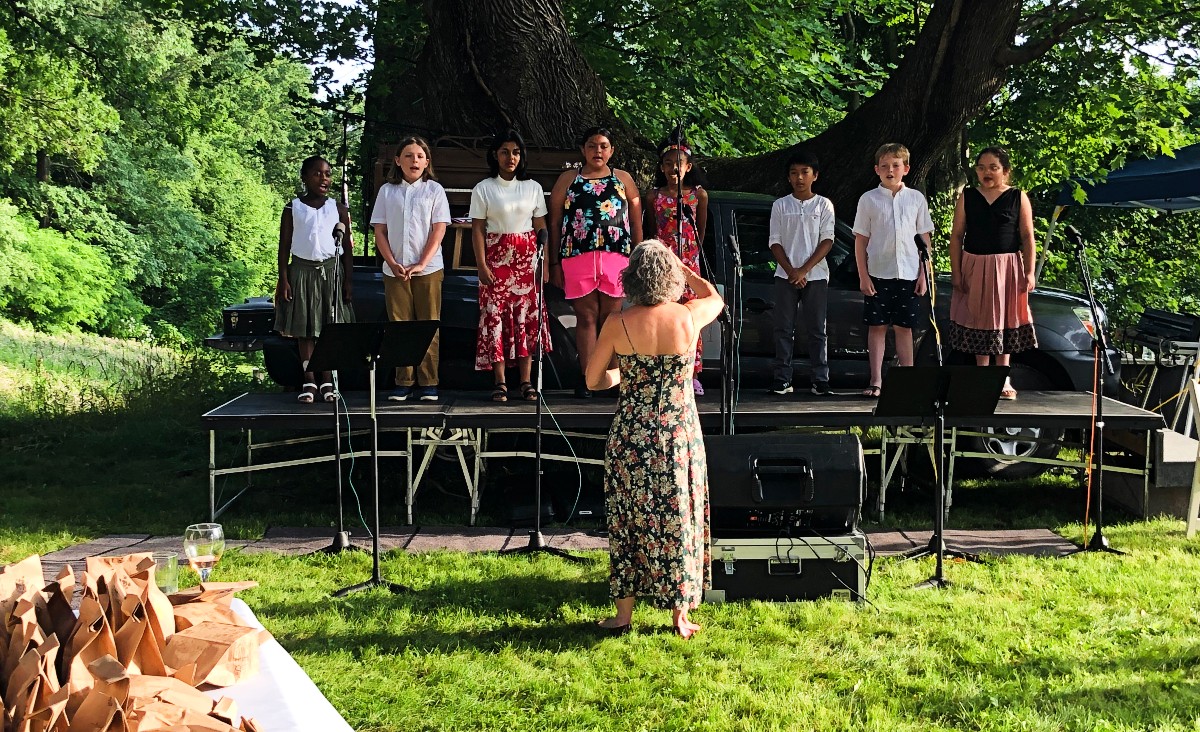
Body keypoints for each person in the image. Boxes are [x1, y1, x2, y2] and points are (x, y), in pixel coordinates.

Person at [585, 240, 724, 639]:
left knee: (627, 519)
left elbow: (594, 380)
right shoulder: (687, 316)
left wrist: (623, 377)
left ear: (631, 279)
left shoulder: (618, 323)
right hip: (679, 431)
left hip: (632, 433)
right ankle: (680, 616)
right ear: (671, 278)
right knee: (679, 516)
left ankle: (623, 615)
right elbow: (715, 297)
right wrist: (688, 271)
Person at [548, 127, 642, 398]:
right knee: (586, 318)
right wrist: (553, 262)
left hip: (616, 258)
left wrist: (638, 257)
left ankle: (612, 380)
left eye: (603, 146)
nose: (597, 151)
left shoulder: (623, 179)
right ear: (583, 150)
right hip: (577, 257)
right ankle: (588, 377)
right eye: (591, 146)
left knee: (611, 319)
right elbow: (555, 222)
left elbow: (635, 221)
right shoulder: (568, 179)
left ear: (611, 150)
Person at [948, 147, 1038, 400]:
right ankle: (982, 375)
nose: (986, 172)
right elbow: (956, 236)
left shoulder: (1018, 197)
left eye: (993, 167)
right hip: (974, 264)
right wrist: (956, 271)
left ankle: (1002, 376)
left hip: (1007, 267)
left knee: (1005, 317)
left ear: (1005, 171)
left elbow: (1028, 237)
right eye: (981, 167)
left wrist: (1029, 272)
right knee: (979, 317)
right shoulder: (967, 196)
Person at [470, 130, 551, 402]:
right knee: (496, 318)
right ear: (496, 154)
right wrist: (481, 264)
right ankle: (500, 381)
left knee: (525, 319)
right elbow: (478, 229)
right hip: (495, 261)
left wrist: (544, 264)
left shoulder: (533, 188)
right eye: (505, 152)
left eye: (515, 152)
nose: (510, 157)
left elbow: (541, 227)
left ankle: (526, 381)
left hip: (526, 262)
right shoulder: (484, 188)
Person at [370, 136, 451, 401]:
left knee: (427, 325)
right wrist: (393, 263)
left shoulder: (434, 191)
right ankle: (403, 380)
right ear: (397, 161)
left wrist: (421, 263)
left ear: (427, 162)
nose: (413, 160)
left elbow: (439, 229)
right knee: (400, 325)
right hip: (395, 270)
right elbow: (380, 230)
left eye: (419, 156)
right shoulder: (387, 191)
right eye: (408, 155)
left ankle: (429, 382)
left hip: (427, 270)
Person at [853, 143, 934, 397]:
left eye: (896, 165)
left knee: (904, 327)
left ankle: (907, 381)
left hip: (909, 273)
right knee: (877, 326)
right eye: (885, 166)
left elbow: (925, 239)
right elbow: (861, 240)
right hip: (878, 272)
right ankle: (876, 380)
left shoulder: (916, 199)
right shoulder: (868, 199)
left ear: (906, 169)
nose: (890, 170)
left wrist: (923, 274)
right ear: (877, 169)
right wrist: (863, 275)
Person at [274, 155, 355, 404]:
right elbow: (284, 246)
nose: (324, 178)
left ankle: (328, 379)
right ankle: (309, 379)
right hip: (301, 271)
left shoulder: (338, 209)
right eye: (317, 173)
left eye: (328, 174)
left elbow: (348, 249)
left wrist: (348, 281)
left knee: (327, 327)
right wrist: (283, 279)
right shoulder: (293, 208)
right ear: (305, 177)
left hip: (330, 272)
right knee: (305, 328)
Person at [643, 132, 709, 396]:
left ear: (688, 167)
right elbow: (651, 232)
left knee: (690, 316)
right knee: (662, 314)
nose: (673, 168)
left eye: (678, 163)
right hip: (663, 265)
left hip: (690, 265)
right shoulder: (654, 196)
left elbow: (700, 232)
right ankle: (662, 370)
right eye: (668, 163)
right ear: (662, 167)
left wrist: (690, 256)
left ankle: (691, 372)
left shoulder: (698, 195)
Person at [767, 150, 835, 397]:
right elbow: (774, 241)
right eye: (794, 173)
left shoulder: (824, 204)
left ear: (815, 175)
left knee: (817, 329)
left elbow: (827, 240)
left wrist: (804, 270)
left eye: (805, 172)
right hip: (785, 275)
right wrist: (791, 271)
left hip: (816, 276)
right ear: (788, 177)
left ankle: (820, 378)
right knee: (783, 328)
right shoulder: (780, 205)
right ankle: (782, 378)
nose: (799, 178)